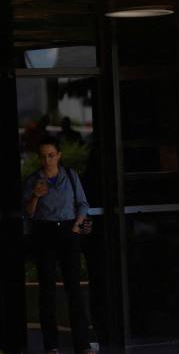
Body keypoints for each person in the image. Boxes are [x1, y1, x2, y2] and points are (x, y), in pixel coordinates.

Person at [22, 136, 94, 354]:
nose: (47, 160)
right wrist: (35, 196)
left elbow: (82, 203)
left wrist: (78, 225)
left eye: (51, 155)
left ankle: (82, 345)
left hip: (68, 232)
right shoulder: (34, 181)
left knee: (74, 289)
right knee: (48, 291)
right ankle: (51, 346)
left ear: (59, 156)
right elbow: (29, 213)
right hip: (45, 232)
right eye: (43, 156)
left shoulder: (70, 176)